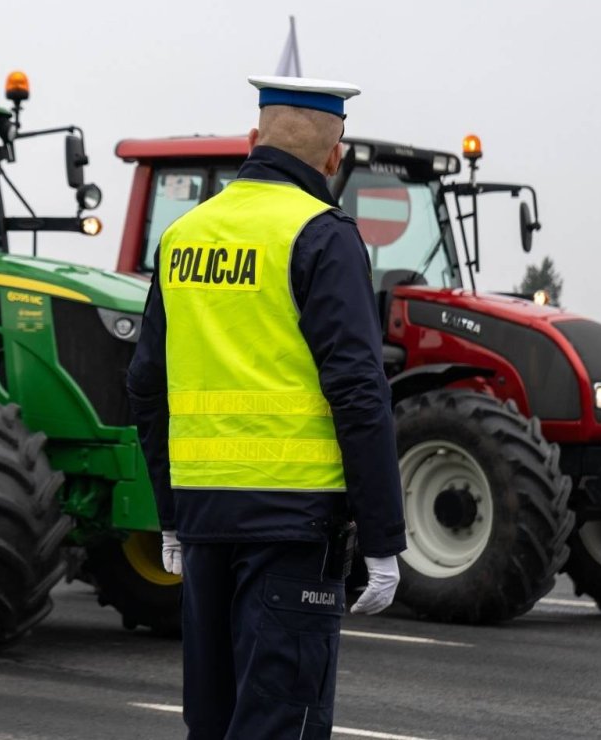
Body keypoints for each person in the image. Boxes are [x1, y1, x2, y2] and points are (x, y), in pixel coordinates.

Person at [126, 76, 406, 739]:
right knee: (280, 722)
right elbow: (359, 391)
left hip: (203, 519)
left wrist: (171, 514)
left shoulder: (183, 236)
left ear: (253, 140)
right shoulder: (323, 235)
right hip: (291, 524)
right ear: (335, 156)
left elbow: (145, 384)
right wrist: (385, 539)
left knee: (214, 721)